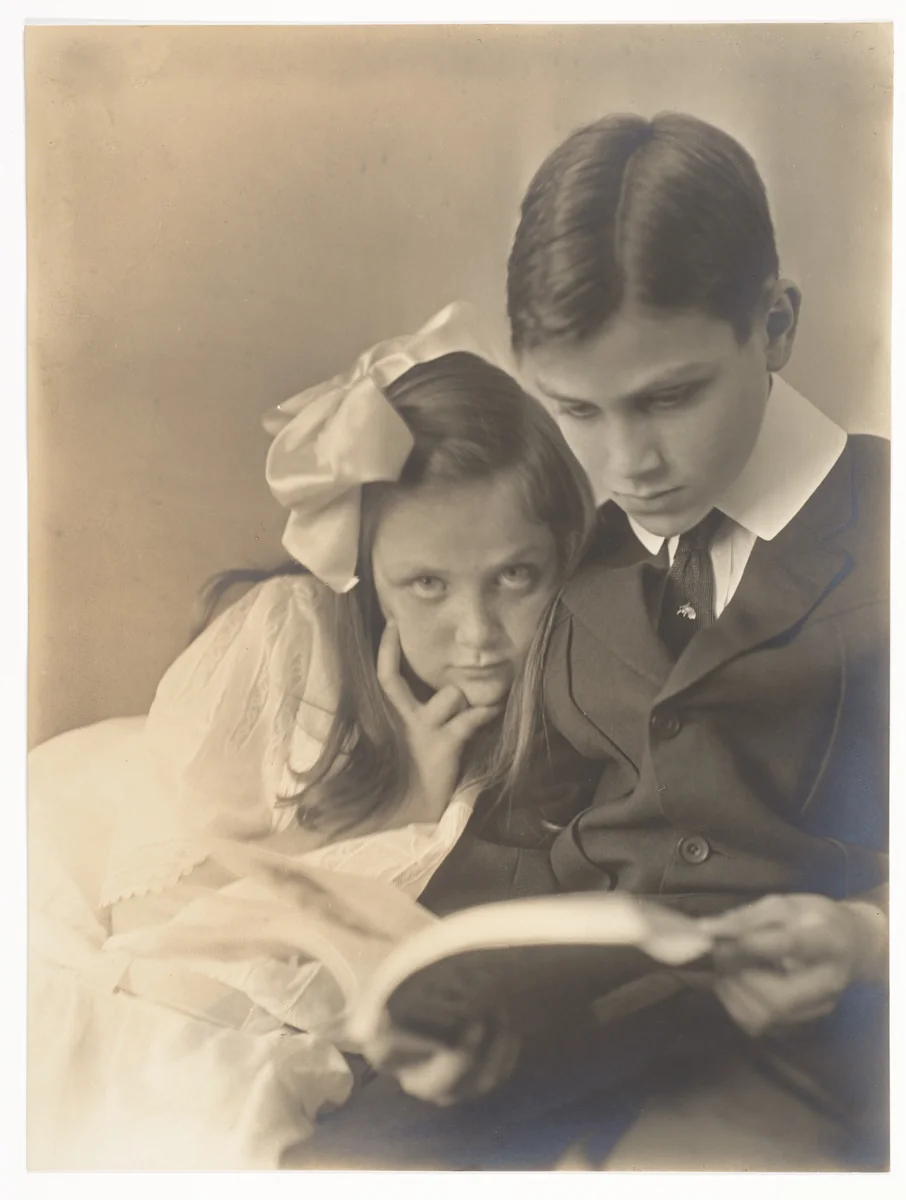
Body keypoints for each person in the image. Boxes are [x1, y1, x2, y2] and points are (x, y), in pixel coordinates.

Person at [311, 112, 888, 1171]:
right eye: (576, 409)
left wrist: (866, 943)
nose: (628, 462)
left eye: (669, 399)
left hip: (810, 1044)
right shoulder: (581, 559)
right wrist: (444, 1008)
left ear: (775, 325)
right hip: (563, 1034)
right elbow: (530, 826)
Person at [26, 303, 597, 1169]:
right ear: (367, 581)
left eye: (515, 576)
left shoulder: (578, 670)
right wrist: (401, 809)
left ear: (562, 552)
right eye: (428, 585)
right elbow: (159, 934)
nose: (478, 632)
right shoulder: (290, 641)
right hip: (147, 863)